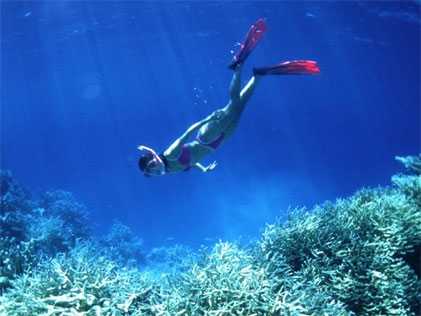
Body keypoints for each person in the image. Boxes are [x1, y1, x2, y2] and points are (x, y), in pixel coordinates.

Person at [138, 18, 320, 177]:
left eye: (152, 165)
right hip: (217, 143)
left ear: (155, 158)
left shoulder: (169, 154)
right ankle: (257, 76)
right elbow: (190, 163)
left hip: (207, 136)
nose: (155, 169)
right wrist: (203, 169)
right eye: (151, 171)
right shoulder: (170, 170)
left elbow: (187, 133)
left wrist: (207, 119)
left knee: (233, 104)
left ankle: (238, 68)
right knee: (240, 107)